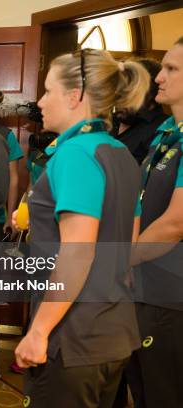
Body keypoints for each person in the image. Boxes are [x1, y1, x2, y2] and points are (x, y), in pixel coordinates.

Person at [13, 48, 149, 407]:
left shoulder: (76, 154)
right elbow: (128, 246)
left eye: (47, 91)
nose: (40, 101)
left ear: (75, 96)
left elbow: (77, 252)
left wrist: (39, 330)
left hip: (72, 336)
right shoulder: (120, 153)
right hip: (112, 332)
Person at [127, 37, 183, 408]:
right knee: (142, 388)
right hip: (144, 286)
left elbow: (176, 222)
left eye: (172, 69)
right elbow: (142, 205)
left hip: (171, 294)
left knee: (165, 392)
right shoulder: (165, 134)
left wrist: (120, 261)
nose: (158, 78)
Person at [111, 58, 169, 166]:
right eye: (119, 87)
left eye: (129, 90)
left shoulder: (164, 130)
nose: (119, 95)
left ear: (151, 93)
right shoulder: (106, 121)